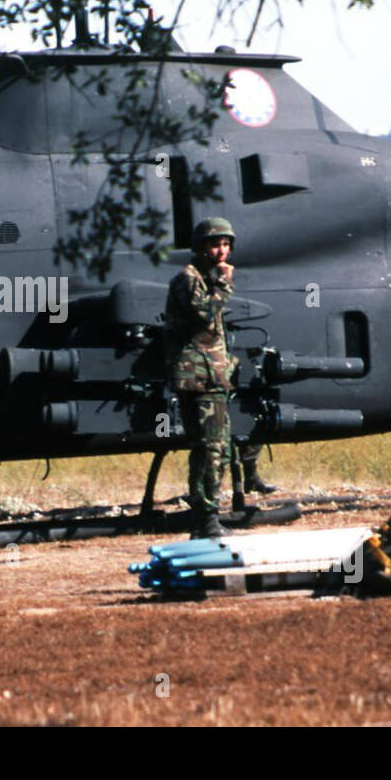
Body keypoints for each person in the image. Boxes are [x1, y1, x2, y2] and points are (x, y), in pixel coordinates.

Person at [165, 217, 238, 539]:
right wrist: (224, 284)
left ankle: (205, 517)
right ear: (200, 247)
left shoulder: (204, 278)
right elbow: (204, 315)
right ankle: (206, 518)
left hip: (212, 376)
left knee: (215, 448)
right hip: (200, 378)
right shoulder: (189, 279)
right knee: (211, 448)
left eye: (225, 244)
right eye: (215, 244)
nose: (221, 251)